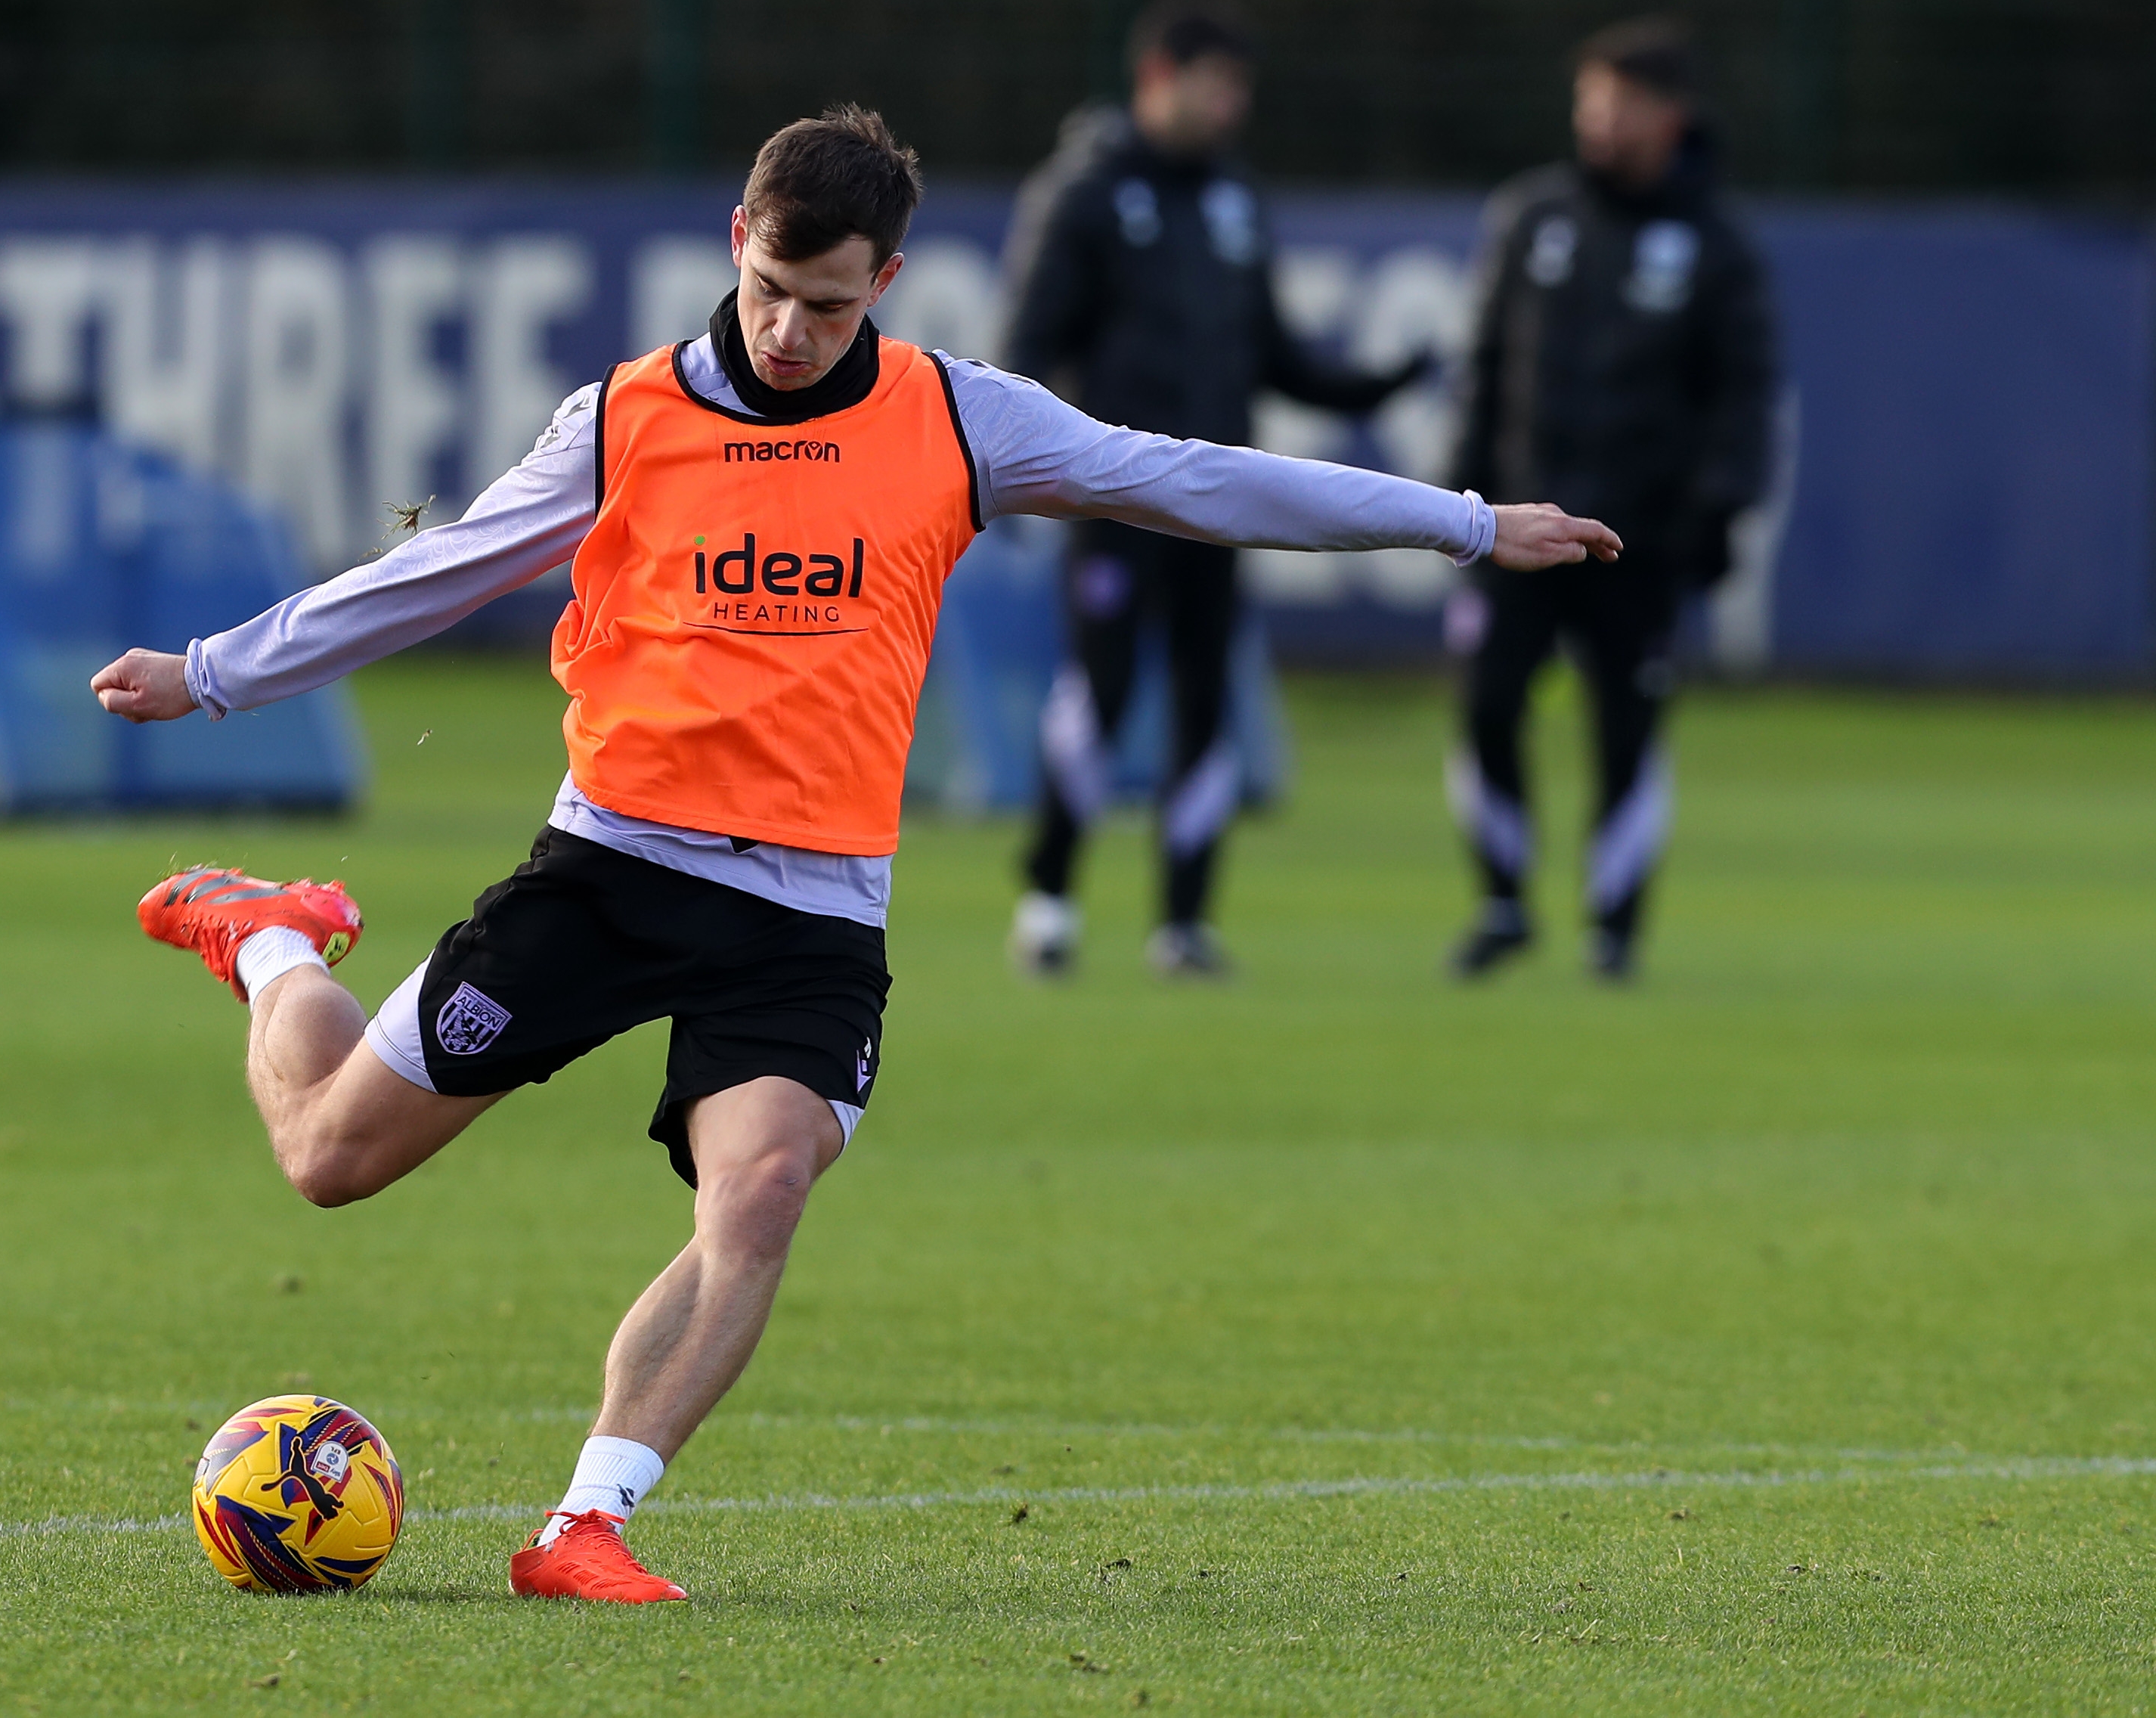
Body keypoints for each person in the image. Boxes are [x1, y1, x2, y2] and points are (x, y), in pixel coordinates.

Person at [90, 107, 1617, 1603]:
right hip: (608, 871)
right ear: (734, 240)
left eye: (828, 303)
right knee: (329, 1159)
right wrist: (213, 671)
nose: (789, 329)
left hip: (808, 913)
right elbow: (435, 572)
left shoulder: (959, 418)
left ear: (885, 280)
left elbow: (1190, 475)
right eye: (769, 287)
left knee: (755, 1190)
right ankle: (273, 933)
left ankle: (586, 1524)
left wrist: (1469, 524)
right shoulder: (623, 416)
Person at [1002, 0, 1435, 981]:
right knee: (1099, 694)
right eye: (1216, 85)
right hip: (1111, 500)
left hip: (1221, 504)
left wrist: (1381, 379)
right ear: (1158, 79)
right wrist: (1044, 472)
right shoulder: (1085, 191)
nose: (1232, 107)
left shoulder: (1236, 201)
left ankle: (1185, 920)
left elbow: (1276, 355)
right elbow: (1025, 352)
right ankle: (1051, 897)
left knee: (1208, 701)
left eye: (1240, 89)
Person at [1446, 17, 1778, 981]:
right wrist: (1452, 503)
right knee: (1486, 708)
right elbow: (1483, 370)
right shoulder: (1532, 216)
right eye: (1590, 100)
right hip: (1515, 527)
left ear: (1671, 116)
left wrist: (1719, 509)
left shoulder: (1716, 246)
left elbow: (1744, 392)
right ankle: (1502, 899)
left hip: (1638, 535)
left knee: (1624, 727)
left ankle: (1613, 924)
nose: (1600, 121)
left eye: (1623, 104)